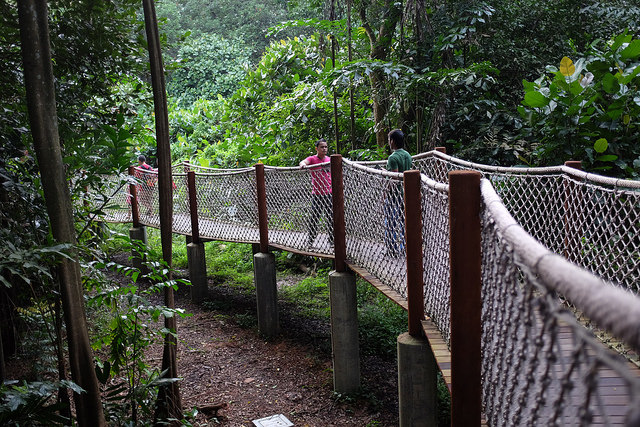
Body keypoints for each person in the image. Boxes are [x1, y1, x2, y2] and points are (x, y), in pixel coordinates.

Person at [300, 139, 333, 248]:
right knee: (314, 218)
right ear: (317, 148)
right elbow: (304, 162)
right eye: (322, 147)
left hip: (329, 193)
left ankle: (332, 241)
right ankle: (310, 240)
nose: (324, 149)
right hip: (317, 194)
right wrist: (303, 165)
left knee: (331, 218)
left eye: (326, 147)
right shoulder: (313, 159)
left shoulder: (329, 159)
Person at [385, 129, 412, 257]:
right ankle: (405, 248)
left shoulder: (393, 157)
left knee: (391, 222)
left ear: (393, 141)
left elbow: (394, 178)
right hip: (405, 192)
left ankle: (393, 249)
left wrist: (385, 191)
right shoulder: (407, 155)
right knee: (404, 221)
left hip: (394, 195)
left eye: (389, 140)